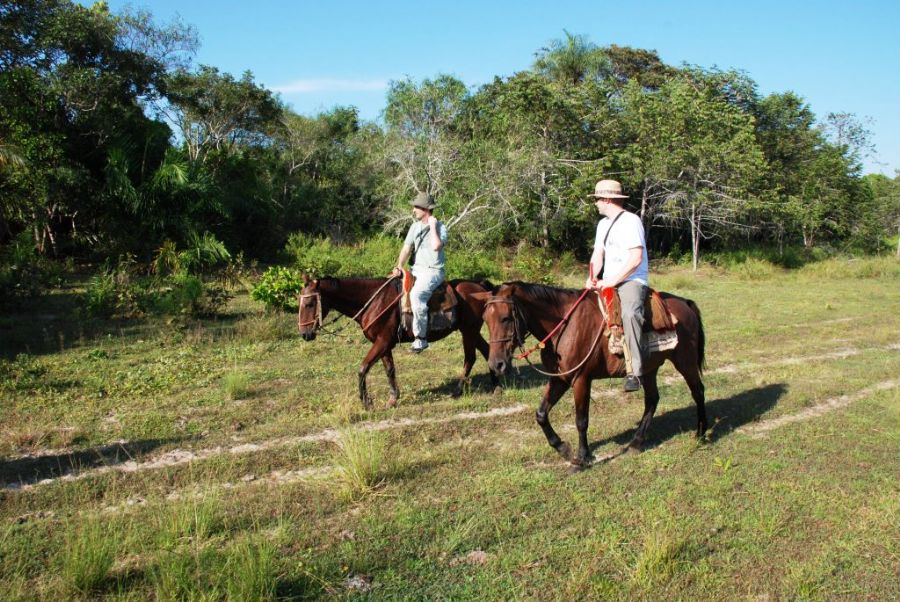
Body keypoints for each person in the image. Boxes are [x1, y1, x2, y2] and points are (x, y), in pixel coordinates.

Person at [584, 179, 649, 392]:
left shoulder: (631, 221)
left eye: (597, 200)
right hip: (607, 280)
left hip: (631, 280)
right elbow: (598, 254)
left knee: (630, 314)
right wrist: (592, 276)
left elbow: (636, 258)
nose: (596, 204)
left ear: (607, 199)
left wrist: (613, 280)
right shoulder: (603, 225)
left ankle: (635, 372)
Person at [392, 191, 449, 353]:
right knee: (391, 288)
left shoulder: (440, 227)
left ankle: (421, 338)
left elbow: (437, 246)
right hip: (415, 269)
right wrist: (399, 266)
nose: (413, 210)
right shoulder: (414, 226)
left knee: (417, 295)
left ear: (426, 209)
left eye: (416, 207)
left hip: (433, 271)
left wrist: (432, 226)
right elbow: (406, 248)